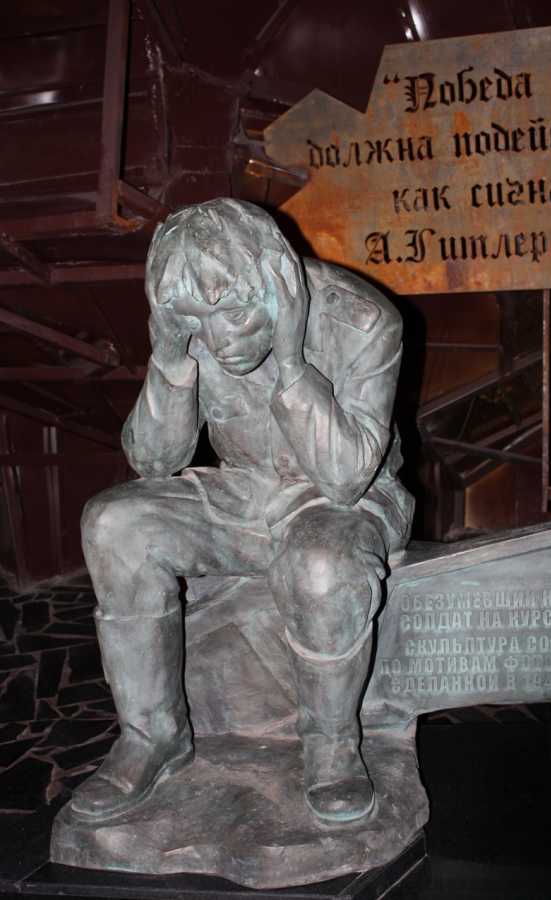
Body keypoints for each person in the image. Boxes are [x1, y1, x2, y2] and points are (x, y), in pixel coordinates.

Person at [69, 199, 414, 825]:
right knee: (113, 525)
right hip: (243, 492)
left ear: (277, 280)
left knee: (321, 562)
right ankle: (152, 736)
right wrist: (171, 359)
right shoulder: (193, 326)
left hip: (345, 498)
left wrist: (291, 364)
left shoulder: (363, 322)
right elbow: (154, 461)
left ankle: (331, 745)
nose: (220, 339)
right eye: (198, 321)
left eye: (234, 314)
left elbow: (345, 478)